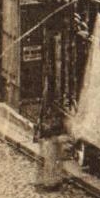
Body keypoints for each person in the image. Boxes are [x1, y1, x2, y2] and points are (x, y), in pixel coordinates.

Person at [34, 62, 66, 190]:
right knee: (51, 156)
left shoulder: (47, 92)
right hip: (49, 130)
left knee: (49, 156)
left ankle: (49, 182)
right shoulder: (48, 94)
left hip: (48, 130)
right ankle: (50, 182)